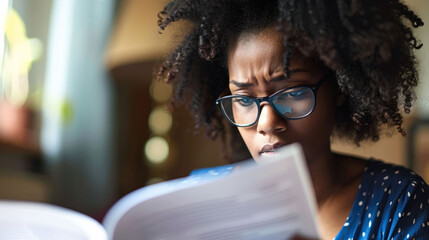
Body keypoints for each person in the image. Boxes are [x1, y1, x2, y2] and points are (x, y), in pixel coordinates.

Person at [157, 0, 429, 239]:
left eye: (293, 93)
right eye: (243, 99)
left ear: (340, 88)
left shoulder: (398, 202)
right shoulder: (199, 199)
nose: (266, 123)